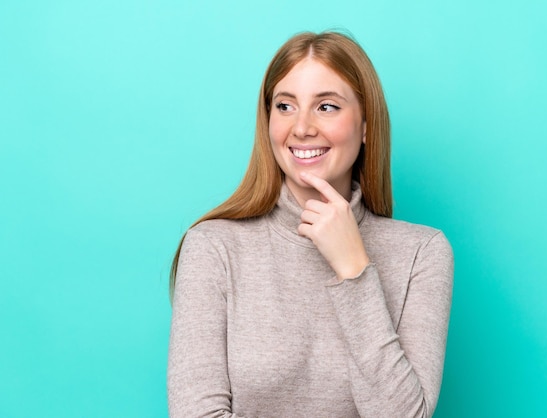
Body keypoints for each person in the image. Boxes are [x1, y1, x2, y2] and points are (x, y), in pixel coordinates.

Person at [167, 31, 454, 418]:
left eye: (327, 107)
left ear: (366, 125)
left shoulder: (422, 254)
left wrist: (354, 270)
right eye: (285, 106)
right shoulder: (212, 247)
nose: (301, 127)